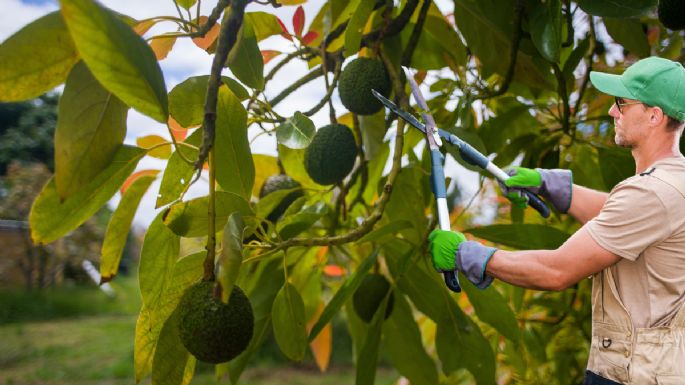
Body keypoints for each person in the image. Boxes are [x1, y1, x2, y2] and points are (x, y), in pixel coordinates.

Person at [429, 56, 685, 385]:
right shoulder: (672, 181)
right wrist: (551, 184)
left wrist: (467, 254)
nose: (612, 111)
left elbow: (556, 271)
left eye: (622, 103)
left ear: (654, 115)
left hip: (631, 376)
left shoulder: (651, 193)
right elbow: (625, 219)